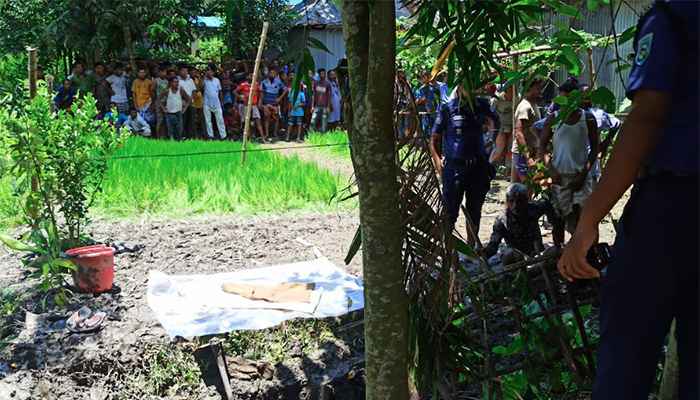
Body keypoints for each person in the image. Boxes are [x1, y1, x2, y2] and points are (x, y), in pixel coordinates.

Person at [558, 2, 699, 400]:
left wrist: (588, 223)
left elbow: (646, 118)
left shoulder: (675, 14)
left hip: (669, 211)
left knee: (625, 359)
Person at [430, 85, 501, 248]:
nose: (472, 90)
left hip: (478, 168)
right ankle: (447, 250)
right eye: (468, 86)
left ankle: (471, 250)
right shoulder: (448, 108)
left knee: (474, 211)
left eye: (474, 86)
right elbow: (434, 138)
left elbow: (496, 119)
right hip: (454, 169)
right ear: (460, 87)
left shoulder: (482, 105)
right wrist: (439, 166)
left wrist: (492, 139)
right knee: (450, 212)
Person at [538, 96, 598, 244]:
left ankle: (588, 252)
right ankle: (559, 253)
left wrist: (583, 174)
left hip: (581, 176)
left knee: (584, 217)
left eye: (570, 96)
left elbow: (595, 147)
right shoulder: (554, 118)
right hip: (560, 177)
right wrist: (551, 170)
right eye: (562, 97)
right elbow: (542, 146)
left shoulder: (587, 118)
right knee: (559, 219)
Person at [484, 183, 560, 264]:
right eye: (512, 201)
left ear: (526, 200)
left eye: (519, 201)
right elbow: (494, 244)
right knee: (508, 255)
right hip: (517, 258)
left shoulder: (534, 209)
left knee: (561, 248)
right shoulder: (502, 220)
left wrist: (555, 223)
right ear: (507, 201)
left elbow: (545, 202)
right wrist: (485, 253)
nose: (515, 205)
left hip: (539, 256)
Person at [577, 84, 621, 183]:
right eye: (583, 96)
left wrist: (605, 143)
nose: (587, 99)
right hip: (573, 168)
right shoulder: (570, 116)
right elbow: (538, 126)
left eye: (590, 96)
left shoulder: (598, 114)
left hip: (592, 169)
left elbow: (616, 123)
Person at [511, 77, 544, 186]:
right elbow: (518, 133)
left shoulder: (532, 104)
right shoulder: (525, 107)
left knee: (515, 188)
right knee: (528, 188)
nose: (540, 91)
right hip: (523, 154)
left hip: (529, 151)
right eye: (537, 88)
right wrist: (528, 158)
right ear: (529, 89)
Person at [489, 84, 519, 179]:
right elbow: (491, 114)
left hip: (512, 126)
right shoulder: (497, 99)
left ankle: (508, 172)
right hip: (500, 126)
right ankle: (489, 167)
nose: (513, 92)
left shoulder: (517, 98)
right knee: (500, 148)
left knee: (510, 149)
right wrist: (493, 128)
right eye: (511, 89)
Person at [157, 76, 191, 141]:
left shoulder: (181, 91)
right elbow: (158, 98)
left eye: (177, 82)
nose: (176, 84)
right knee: (170, 130)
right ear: (171, 83)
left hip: (178, 113)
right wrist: (163, 107)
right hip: (169, 113)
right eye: (175, 82)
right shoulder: (167, 91)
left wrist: (185, 108)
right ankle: (171, 142)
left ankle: (178, 142)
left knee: (179, 130)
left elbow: (188, 99)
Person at [234, 71, 265, 142]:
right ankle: (248, 138)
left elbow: (260, 92)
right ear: (247, 76)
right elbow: (235, 91)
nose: (252, 77)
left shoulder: (256, 84)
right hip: (246, 105)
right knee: (247, 122)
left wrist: (259, 102)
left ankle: (263, 138)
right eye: (250, 75)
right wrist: (241, 98)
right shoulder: (243, 84)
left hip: (254, 105)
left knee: (257, 121)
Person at [199, 66, 227, 140]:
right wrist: (205, 76)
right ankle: (211, 135)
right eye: (208, 72)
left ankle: (223, 136)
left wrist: (221, 101)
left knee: (220, 120)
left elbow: (220, 91)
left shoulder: (217, 80)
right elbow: (200, 86)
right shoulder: (204, 80)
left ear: (213, 73)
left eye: (211, 72)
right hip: (207, 103)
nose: (209, 73)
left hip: (217, 103)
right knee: (208, 120)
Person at [260, 68, 285, 140]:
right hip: (266, 103)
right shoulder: (264, 82)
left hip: (275, 103)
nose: (272, 74)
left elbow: (285, 90)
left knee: (276, 118)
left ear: (275, 74)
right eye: (271, 73)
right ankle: (267, 133)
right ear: (269, 74)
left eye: (273, 73)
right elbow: (262, 92)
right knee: (266, 118)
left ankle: (275, 133)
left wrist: (279, 98)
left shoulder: (279, 82)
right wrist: (260, 103)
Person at [310, 68, 333, 134]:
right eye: (320, 74)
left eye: (323, 74)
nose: (322, 75)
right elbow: (314, 95)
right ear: (319, 75)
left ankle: (323, 135)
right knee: (313, 120)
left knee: (324, 122)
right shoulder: (316, 84)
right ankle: (311, 134)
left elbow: (329, 96)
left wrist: (328, 107)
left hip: (325, 106)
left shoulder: (327, 84)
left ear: (325, 74)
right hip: (317, 106)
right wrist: (312, 106)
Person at [416, 69, 438, 137]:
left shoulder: (434, 87)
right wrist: (423, 99)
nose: (423, 79)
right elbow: (417, 101)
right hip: (424, 113)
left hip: (435, 112)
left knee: (434, 130)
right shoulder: (421, 89)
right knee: (424, 129)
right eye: (422, 77)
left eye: (424, 77)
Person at [178, 65, 197, 139]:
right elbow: (180, 92)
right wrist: (188, 100)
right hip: (182, 103)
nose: (185, 72)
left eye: (186, 71)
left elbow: (194, 90)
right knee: (183, 120)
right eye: (183, 70)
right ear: (180, 71)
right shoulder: (177, 80)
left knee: (192, 120)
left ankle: (192, 135)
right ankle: (183, 135)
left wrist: (191, 99)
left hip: (191, 103)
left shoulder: (190, 80)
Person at [150, 65, 169, 139]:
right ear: (159, 72)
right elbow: (151, 90)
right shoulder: (156, 81)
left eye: (165, 72)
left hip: (165, 102)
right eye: (162, 72)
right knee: (159, 121)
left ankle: (163, 136)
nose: (164, 74)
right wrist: (153, 100)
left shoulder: (166, 81)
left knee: (164, 121)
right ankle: (158, 137)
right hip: (158, 102)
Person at [189, 66, 206, 139]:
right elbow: (197, 88)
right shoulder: (189, 80)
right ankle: (194, 134)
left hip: (200, 101)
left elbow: (201, 86)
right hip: (193, 102)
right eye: (193, 72)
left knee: (202, 118)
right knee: (193, 120)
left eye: (195, 72)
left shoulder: (196, 79)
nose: (194, 73)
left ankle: (204, 133)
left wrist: (199, 77)